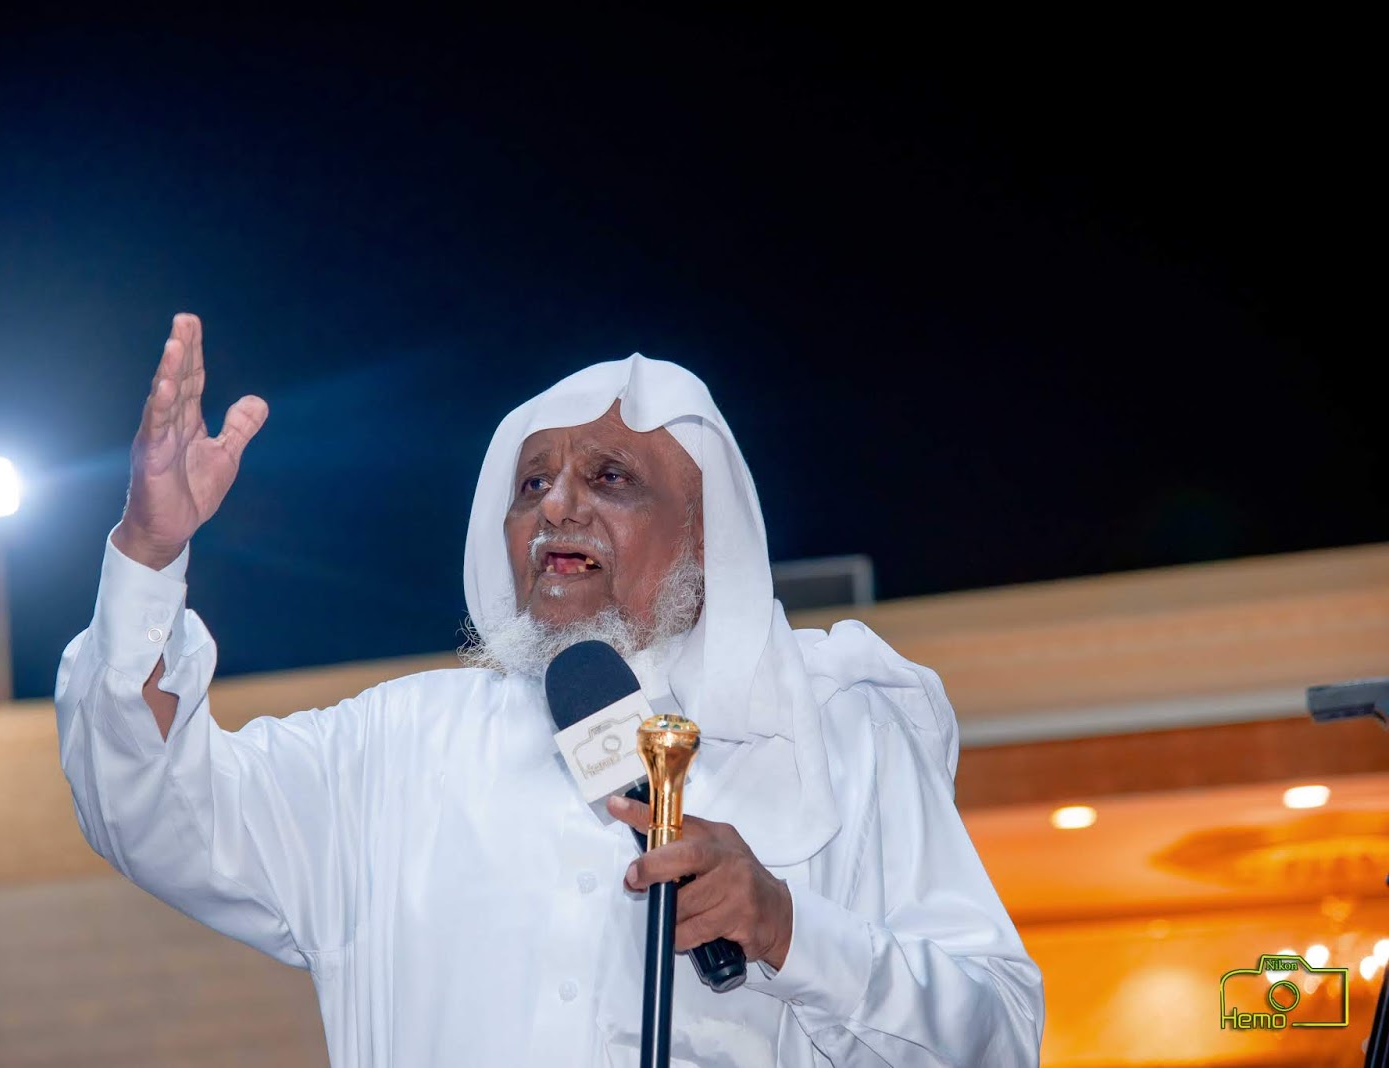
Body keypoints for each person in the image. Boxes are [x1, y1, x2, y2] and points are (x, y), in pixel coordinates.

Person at [56, 313, 1044, 1066]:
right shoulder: (398, 748)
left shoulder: (835, 730)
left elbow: (998, 1034)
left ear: (709, 539)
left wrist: (791, 929)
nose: (557, 506)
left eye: (610, 479)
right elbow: (154, 808)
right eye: (532, 484)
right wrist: (149, 551)